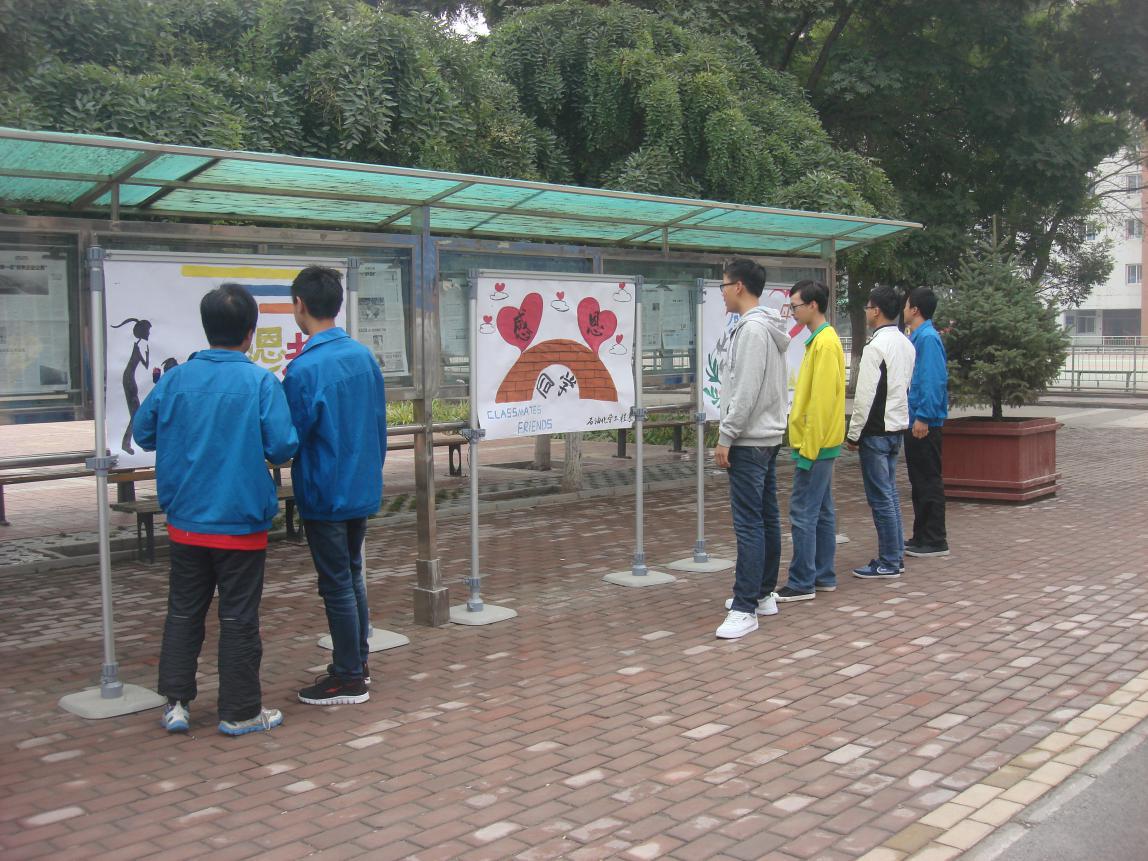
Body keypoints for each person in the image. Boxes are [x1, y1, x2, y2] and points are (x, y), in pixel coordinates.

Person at [134, 284, 298, 736]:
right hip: (241, 523)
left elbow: (143, 433)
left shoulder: (175, 380)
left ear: (207, 329)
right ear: (250, 333)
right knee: (239, 617)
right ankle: (240, 712)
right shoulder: (260, 382)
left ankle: (176, 705)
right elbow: (283, 445)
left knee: (183, 611)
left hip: (186, 520)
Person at [284, 266, 388, 706]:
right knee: (351, 575)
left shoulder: (304, 369)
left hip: (324, 490)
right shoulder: (363, 357)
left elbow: (288, 437)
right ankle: (356, 663)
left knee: (337, 584)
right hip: (360, 484)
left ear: (300, 305)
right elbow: (379, 423)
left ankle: (348, 677)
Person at [712, 259, 791, 639]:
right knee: (765, 517)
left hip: (749, 439)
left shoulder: (752, 330)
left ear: (739, 286)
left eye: (724, 285)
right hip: (767, 436)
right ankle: (762, 594)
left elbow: (745, 390)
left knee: (749, 523)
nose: (722, 293)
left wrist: (726, 435)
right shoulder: (766, 327)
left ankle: (746, 607)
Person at [777, 280, 846, 603]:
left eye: (796, 306)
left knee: (803, 511)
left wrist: (808, 449)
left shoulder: (825, 343)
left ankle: (803, 580)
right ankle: (822, 575)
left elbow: (821, 403)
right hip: (818, 443)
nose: (793, 311)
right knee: (822, 510)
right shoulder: (820, 341)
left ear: (813, 305)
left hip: (816, 444)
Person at [846, 285, 916, 579]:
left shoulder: (875, 347)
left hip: (875, 431)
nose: (866, 312)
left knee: (880, 497)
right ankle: (895, 555)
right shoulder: (906, 343)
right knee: (889, 495)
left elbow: (864, 397)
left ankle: (888, 560)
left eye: (867, 307)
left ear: (876, 310)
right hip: (897, 428)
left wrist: (853, 434)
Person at [903, 287, 950, 557]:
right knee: (918, 481)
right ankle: (921, 535)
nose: (903, 309)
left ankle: (934, 539)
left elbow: (933, 380)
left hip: (924, 422)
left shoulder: (928, 339)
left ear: (915, 310)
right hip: (916, 419)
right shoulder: (918, 336)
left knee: (928, 480)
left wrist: (923, 416)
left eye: (906, 305)